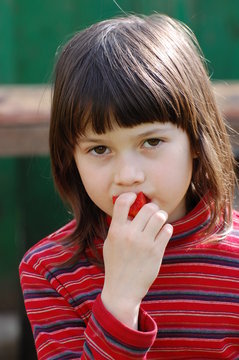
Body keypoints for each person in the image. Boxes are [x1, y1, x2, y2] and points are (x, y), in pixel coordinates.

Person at [19, 13, 239, 359]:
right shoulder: (51, 270)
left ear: (196, 141)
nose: (128, 174)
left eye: (151, 142)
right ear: (71, 157)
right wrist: (120, 299)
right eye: (100, 149)